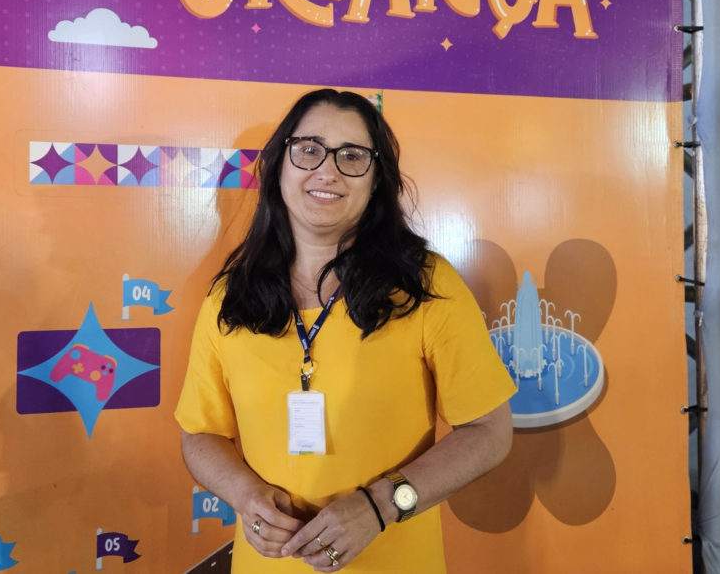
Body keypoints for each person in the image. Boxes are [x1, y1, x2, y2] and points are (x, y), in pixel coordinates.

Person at [175, 88, 516, 573]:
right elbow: (200, 433)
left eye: (352, 155)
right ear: (279, 167)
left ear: (376, 181)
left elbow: (489, 430)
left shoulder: (425, 286)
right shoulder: (231, 296)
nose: (327, 170)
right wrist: (245, 494)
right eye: (308, 149)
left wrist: (380, 506)